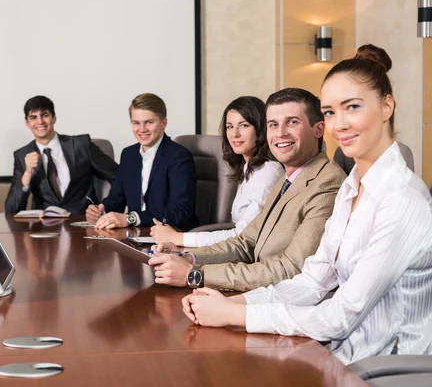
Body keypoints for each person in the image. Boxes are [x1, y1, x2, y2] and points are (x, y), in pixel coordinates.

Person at [181, 44, 432, 365]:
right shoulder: (353, 186)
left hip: (385, 366)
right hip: (340, 351)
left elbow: (341, 316)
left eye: (352, 107)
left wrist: (234, 314)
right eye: (330, 112)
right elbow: (313, 282)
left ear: (387, 107)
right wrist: (236, 303)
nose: (338, 124)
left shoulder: (401, 199)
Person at [149, 88, 346, 291]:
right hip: (256, 288)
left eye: (292, 122)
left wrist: (196, 274)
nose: (280, 133)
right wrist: (186, 257)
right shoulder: (287, 179)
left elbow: (290, 269)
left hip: (280, 302)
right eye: (273, 124)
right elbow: (245, 242)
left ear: (319, 129)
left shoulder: (327, 182)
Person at [150, 96, 284, 247]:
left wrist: (179, 238)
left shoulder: (269, 171)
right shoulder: (249, 167)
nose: (234, 134)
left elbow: (242, 237)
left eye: (244, 125)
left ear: (260, 128)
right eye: (229, 126)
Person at [86, 93, 199, 231]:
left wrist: (130, 218)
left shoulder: (179, 157)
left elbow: (179, 212)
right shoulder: (129, 155)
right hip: (136, 236)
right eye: (136, 123)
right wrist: (101, 210)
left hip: (173, 236)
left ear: (164, 123)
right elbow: (117, 198)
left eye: (149, 122)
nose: (142, 129)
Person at [5, 96, 119, 215]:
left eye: (45, 115)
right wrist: (27, 174)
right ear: (27, 123)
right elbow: (11, 210)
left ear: (54, 118)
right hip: (44, 226)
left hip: (82, 221)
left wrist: (107, 207)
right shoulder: (22, 155)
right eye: (33, 117)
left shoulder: (81, 145)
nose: (40, 122)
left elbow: (118, 176)